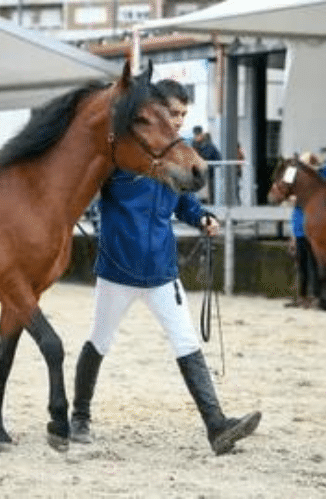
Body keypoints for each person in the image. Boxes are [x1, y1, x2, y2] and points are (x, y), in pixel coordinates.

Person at [70, 78, 261, 456]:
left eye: (182, 115)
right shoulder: (125, 152)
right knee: (99, 340)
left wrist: (201, 216)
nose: (177, 121)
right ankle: (80, 416)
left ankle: (216, 427)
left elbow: (182, 200)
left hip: (161, 270)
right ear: (155, 110)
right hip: (116, 270)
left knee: (186, 342)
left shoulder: (175, 153)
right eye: (172, 113)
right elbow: (84, 184)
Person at [285, 152, 326, 309]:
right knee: (302, 264)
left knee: (314, 264)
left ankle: (315, 297)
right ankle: (304, 296)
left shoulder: (321, 179)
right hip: (301, 226)